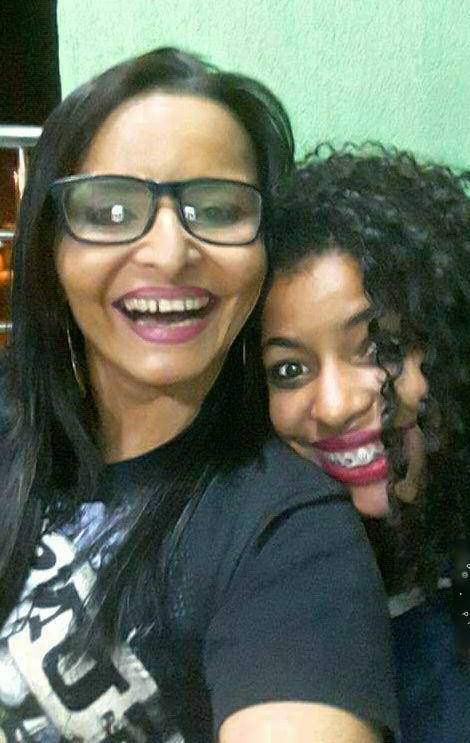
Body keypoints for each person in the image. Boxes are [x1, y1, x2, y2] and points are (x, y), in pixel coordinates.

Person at [0, 52, 398, 743]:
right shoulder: (12, 427)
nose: (170, 251)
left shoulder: (291, 535)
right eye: (111, 210)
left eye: (216, 210)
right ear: (51, 248)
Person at [259, 144, 470, 743]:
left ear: (467, 353)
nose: (336, 404)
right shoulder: (265, 591)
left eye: (381, 349)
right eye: (289, 370)